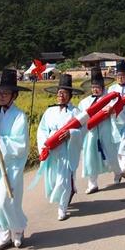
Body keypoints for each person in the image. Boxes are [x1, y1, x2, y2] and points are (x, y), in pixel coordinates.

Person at [0, 68, 30, 250]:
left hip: (10, 166)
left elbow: (20, 144)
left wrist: (1, 141)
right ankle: (3, 236)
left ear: (14, 95)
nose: (1, 96)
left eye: (5, 93)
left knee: (6, 200)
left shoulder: (20, 116)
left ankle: (18, 230)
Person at [36, 73, 85, 221]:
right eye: (59, 93)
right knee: (52, 180)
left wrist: (71, 133)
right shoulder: (49, 111)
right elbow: (42, 129)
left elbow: (83, 130)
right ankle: (65, 196)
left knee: (63, 180)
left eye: (64, 93)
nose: (61, 96)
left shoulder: (76, 112)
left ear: (70, 95)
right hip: (52, 150)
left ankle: (62, 208)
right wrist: (45, 143)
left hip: (66, 150)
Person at [78, 67, 121, 194]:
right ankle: (92, 183)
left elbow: (118, 109)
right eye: (93, 87)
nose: (95, 89)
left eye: (98, 86)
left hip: (105, 129)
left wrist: (112, 110)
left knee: (110, 153)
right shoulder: (84, 102)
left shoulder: (109, 99)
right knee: (89, 156)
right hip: (90, 133)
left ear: (103, 87)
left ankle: (117, 172)